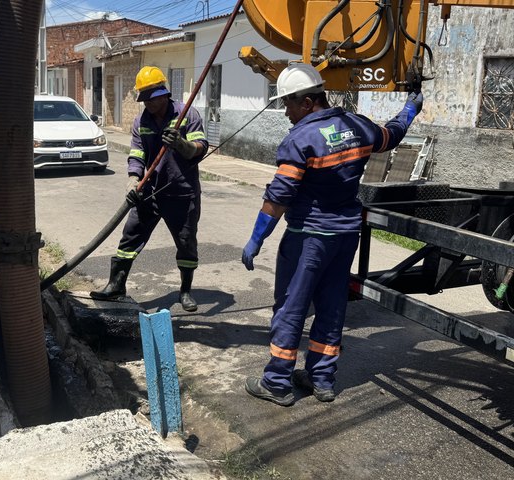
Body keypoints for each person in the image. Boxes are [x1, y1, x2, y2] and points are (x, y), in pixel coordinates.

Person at [241, 63, 424, 406]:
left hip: (308, 237)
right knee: (331, 306)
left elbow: (279, 197)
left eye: (289, 104)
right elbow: (392, 135)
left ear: (307, 102)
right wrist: (410, 109)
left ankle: (277, 381)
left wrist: (256, 239)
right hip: (345, 236)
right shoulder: (359, 126)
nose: (286, 112)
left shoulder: (301, 140)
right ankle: (321, 378)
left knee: (291, 307)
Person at [90, 66, 209, 312]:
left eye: (152, 99)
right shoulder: (141, 120)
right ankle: (116, 285)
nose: (149, 104)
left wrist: (181, 144)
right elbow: (137, 154)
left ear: (164, 94)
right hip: (150, 192)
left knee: (186, 242)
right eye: (145, 99)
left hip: (182, 193)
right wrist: (134, 180)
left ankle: (185, 291)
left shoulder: (187, 114)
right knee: (130, 237)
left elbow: (200, 147)